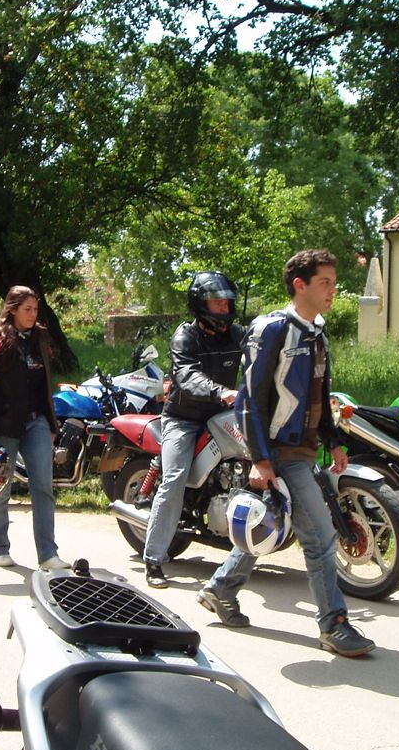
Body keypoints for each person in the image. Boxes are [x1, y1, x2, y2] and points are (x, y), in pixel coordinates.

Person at [198, 248, 376, 658]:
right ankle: (334, 625)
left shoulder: (316, 333)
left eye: (333, 283)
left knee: (269, 525)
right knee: (320, 536)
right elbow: (249, 400)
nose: (333, 290)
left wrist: (333, 440)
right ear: (300, 285)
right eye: (325, 282)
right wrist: (260, 459)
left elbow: (319, 394)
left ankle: (221, 589)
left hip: (304, 449)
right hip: (279, 450)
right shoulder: (272, 329)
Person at [141, 272, 245, 588]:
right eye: (217, 302)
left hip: (223, 413)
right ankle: (154, 559)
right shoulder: (185, 337)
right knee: (173, 480)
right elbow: (187, 375)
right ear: (201, 304)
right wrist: (221, 391)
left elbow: (263, 354)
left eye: (227, 302)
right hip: (184, 418)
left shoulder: (236, 334)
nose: (224, 307)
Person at [0, 285, 67, 570]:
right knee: (0, 489)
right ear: (12, 309)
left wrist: (51, 424)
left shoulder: (40, 338)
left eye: (35, 309)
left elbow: (45, 385)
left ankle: (48, 554)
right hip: (4, 425)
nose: (33, 314)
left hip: (37, 421)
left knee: (43, 488)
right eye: (27, 309)